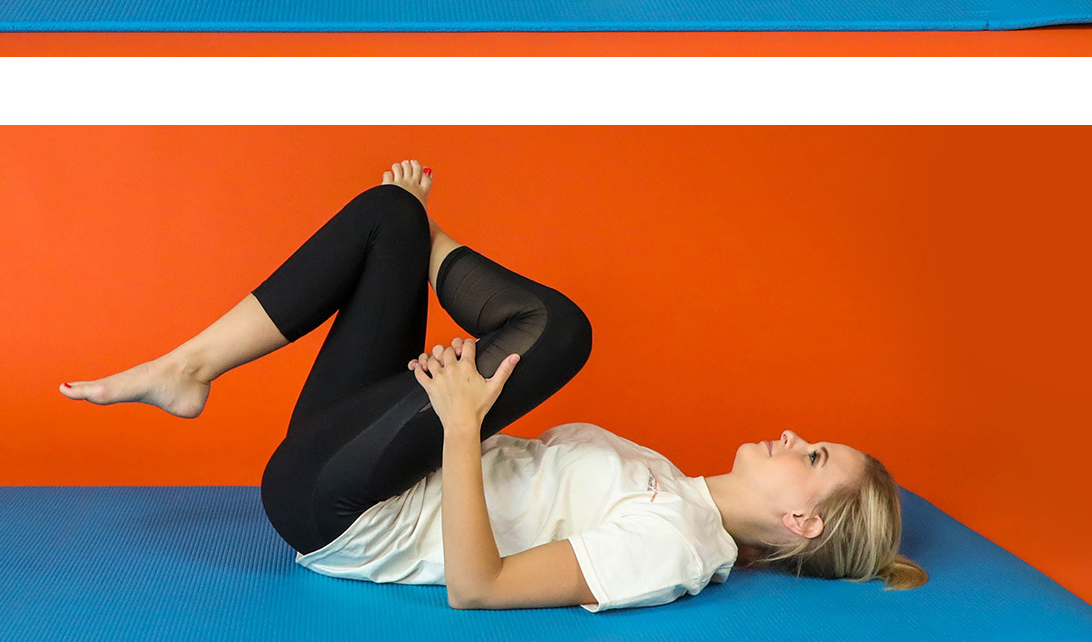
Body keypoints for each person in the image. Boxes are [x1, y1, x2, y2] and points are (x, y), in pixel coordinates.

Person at [60, 159, 928, 611]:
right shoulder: (669, 480)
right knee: (387, 215)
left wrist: (462, 426)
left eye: (812, 454)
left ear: (801, 522)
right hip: (370, 463)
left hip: (343, 508)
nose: (790, 434)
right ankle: (191, 368)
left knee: (566, 332)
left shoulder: (679, 548)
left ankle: (421, 243)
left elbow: (480, 588)